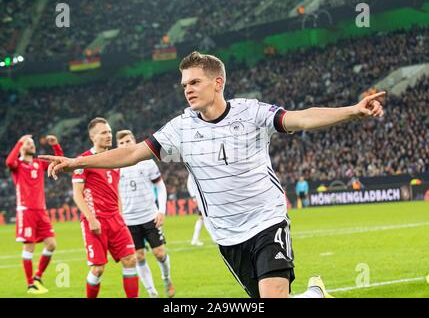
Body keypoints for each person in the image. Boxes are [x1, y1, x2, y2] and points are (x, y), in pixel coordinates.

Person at [41, 51, 385, 298]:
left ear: (217, 82)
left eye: (195, 82)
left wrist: (353, 111)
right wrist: (78, 162)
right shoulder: (180, 128)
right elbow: (132, 153)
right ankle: (313, 294)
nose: (187, 89)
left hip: (267, 220)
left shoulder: (251, 112)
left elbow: (302, 118)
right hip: (227, 235)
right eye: (184, 84)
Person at [71, 118, 138, 298]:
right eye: (104, 133)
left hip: (115, 219)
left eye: (109, 132)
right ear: (93, 137)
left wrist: (121, 215)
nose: (109, 135)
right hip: (95, 220)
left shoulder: (114, 160)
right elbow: (77, 194)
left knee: (131, 260)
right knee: (98, 269)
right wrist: (91, 219)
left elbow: (115, 190)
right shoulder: (83, 160)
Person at [116, 130, 175, 298]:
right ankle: (152, 293)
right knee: (139, 257)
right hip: (128, 220)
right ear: (117, 146)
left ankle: (166, 278)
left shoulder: (147, 163)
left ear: (134, 141)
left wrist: (161, 210)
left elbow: (160, 186)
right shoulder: (115, 167)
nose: (125, 145)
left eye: (128, 141)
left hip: (150, 216)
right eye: (121, 143)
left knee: (160, 253)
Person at [6, 134, 63, 294]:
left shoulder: (38, 163)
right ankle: (30, 285)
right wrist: (19, 141)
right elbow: (9, 161)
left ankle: (38, 277)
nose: (32, 145)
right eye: (28, 143)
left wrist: (55, 146)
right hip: (26, 211)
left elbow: (59, 162)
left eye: (32, 143)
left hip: (41, 211)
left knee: (51, 244)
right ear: (22, 147)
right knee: (29, 246)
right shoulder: (17, 165)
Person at [187, 173, 205, 246]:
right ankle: (194, 239)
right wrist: (194, 196)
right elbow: (189, 184)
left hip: (200, 197)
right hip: (198, 197)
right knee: (202, 217)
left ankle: (195, 239)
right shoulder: (193, 171)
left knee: (203, 218)